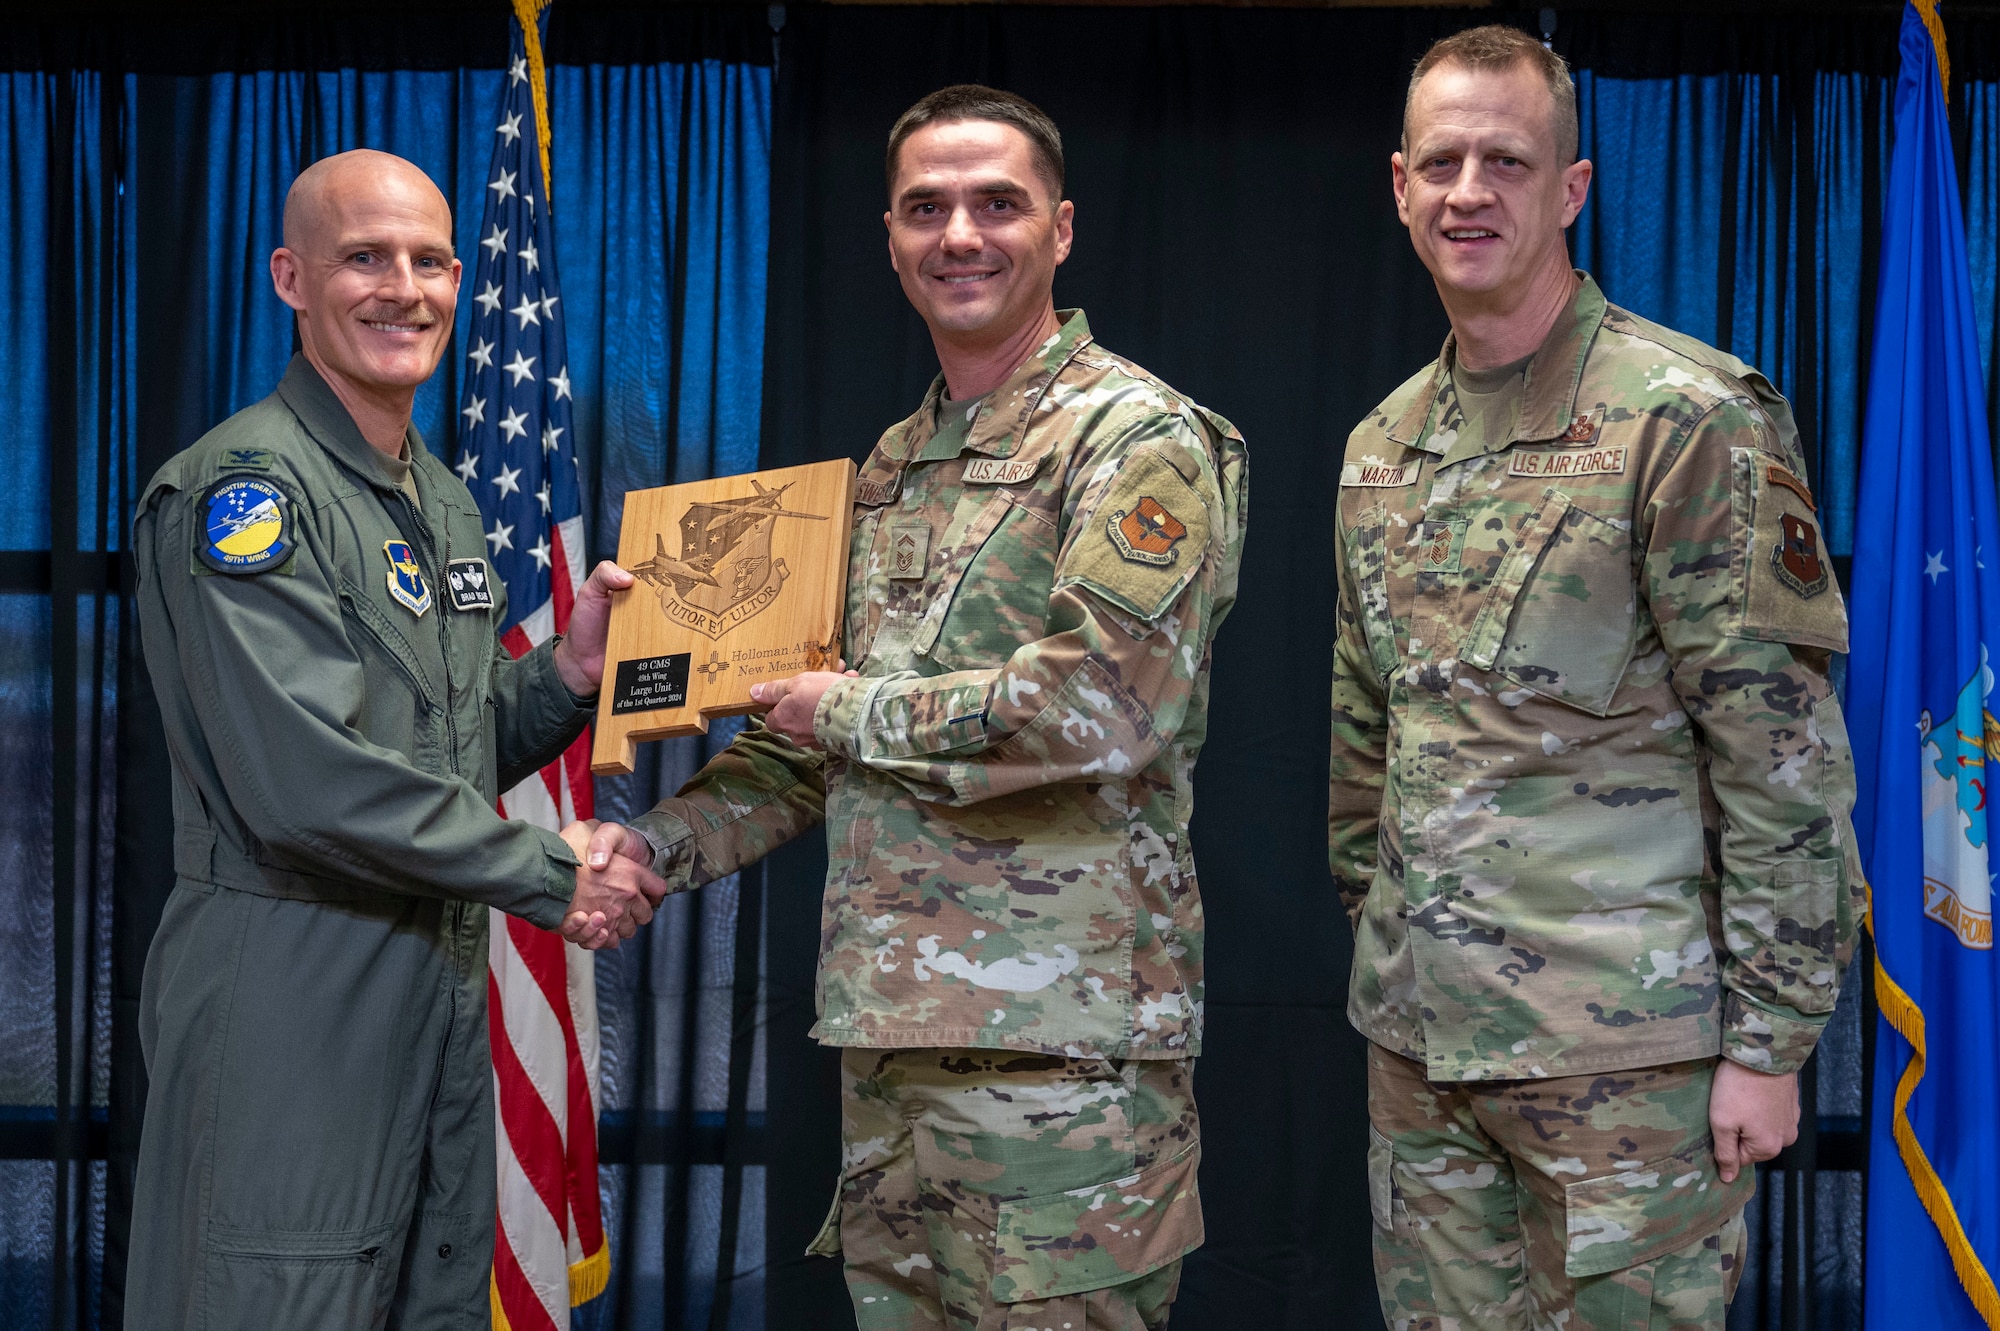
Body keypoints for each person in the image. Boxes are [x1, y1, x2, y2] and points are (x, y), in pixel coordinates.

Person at [572, 85, 1248, 1330]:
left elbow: (1101, 706)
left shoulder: (1132, 436)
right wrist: (650, 848)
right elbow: (809, 744)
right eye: (926, 207)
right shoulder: (888, 469)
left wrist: (844, 708)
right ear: (888, 236)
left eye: (999, 203)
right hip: (891, 1048)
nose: (961, 234)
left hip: (1063, 1060)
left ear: (1060, 228)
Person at [1329, 26, 1863, 1330]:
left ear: (1570, 189)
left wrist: (1768, 1044)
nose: (1471, 192)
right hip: (1424, 1057)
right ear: (1400, 184)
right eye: (1442, 162)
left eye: (1507, 160)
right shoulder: (1384, 444)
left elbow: (1779, 753)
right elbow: (1365, 739)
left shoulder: (1687, 417)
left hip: (1632, 1070)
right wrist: (1391, 937)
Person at [127, 149, 663, 1330]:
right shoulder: (247, 490)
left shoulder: (437, 496)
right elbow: (304, 782)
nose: (401, 289)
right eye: (363, 257)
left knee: (426, 1301)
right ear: (291, 278)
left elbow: (443, 747)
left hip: (429, 962)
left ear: (460, 280)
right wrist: (547, 871)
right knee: (280, 1297)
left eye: (427, 261)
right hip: (291, 976)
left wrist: (569, 673)